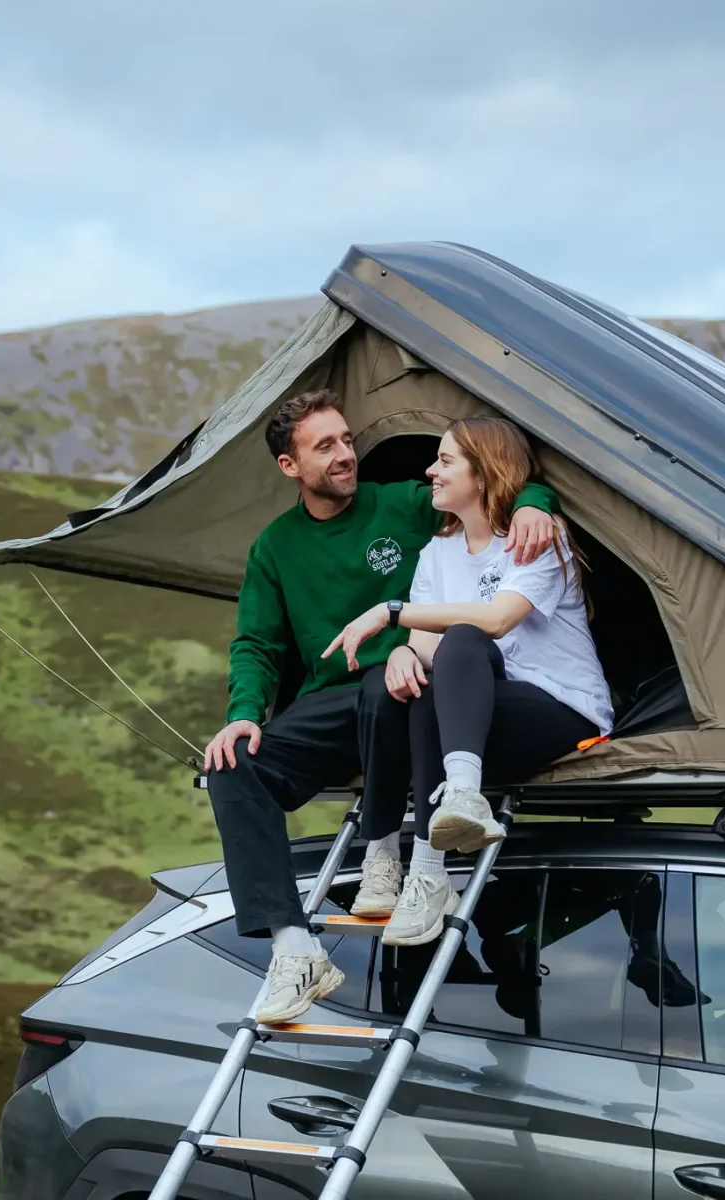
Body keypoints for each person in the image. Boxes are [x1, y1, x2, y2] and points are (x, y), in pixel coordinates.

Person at [202, 391, 562, 1024]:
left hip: (410, 689)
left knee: (387, 684)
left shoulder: (402, 503)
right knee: (231, 763)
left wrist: (536, 503)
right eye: (326, 447)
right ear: (290, 467)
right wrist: (245, 713)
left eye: (346, 440)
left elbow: (489, 488)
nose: (345, 455)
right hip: (332, 705)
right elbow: (257, 643)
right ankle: (294, 948)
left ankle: (384, 851)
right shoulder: (275, 547)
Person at [322, 416, 614, 947]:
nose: (430, 471)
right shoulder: (437, 551)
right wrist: (403, 656)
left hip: (560, 708)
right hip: (476, 720)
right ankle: (427, 872)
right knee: (413, 686)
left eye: (446, 461)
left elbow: (498, 620)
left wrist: (392, 613)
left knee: (464, 637)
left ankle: (457, 803)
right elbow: (426, 647)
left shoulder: (534, 538)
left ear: (482, 476)